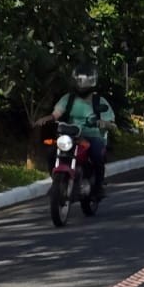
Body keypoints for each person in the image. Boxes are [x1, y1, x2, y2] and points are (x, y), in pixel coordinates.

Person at [34, 66, 117, 196]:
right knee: (52, 153)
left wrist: (104, 123)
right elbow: (56, 114)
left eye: (85, 81)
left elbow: (112, 124)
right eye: (78, 80)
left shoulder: (99, 101)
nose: (81, 84)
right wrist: (47, 119)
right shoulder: (68, 98)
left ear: (92, 82)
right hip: (70, 136)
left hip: (93, 136)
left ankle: (98, 186)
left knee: (97, 155)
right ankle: (56, 182)